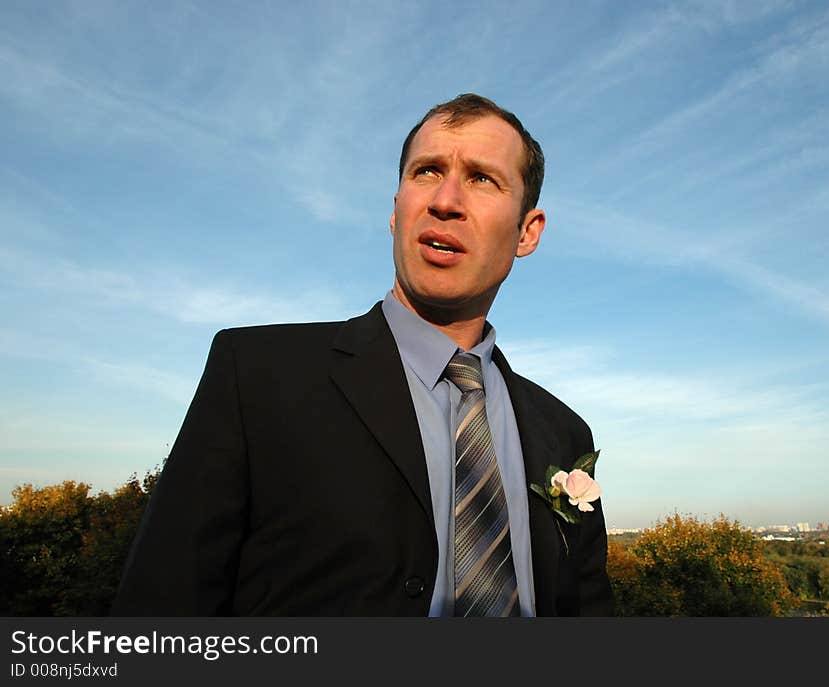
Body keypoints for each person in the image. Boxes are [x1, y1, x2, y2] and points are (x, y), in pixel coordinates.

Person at [112, 93, 614, 617]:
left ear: (527, 232)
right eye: (426, 171)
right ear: (397, 211)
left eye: (482, 179)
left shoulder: (565, 433)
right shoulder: (256, 376)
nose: (445, 199)